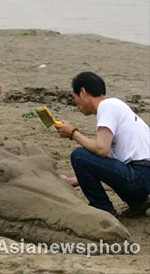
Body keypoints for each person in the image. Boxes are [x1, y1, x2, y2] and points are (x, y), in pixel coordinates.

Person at [56, 72, 150, 217]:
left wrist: (73, 133)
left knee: (79, 156)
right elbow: (107, 163)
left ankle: (103, 210)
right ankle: (138, 203)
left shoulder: (107, 105)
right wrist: (75, 181)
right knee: (87, 156)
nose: (76, 104)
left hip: (139, 176)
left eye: (75, 97)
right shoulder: (117, 107)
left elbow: (101, 150)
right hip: (143, 177)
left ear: (83, 92)